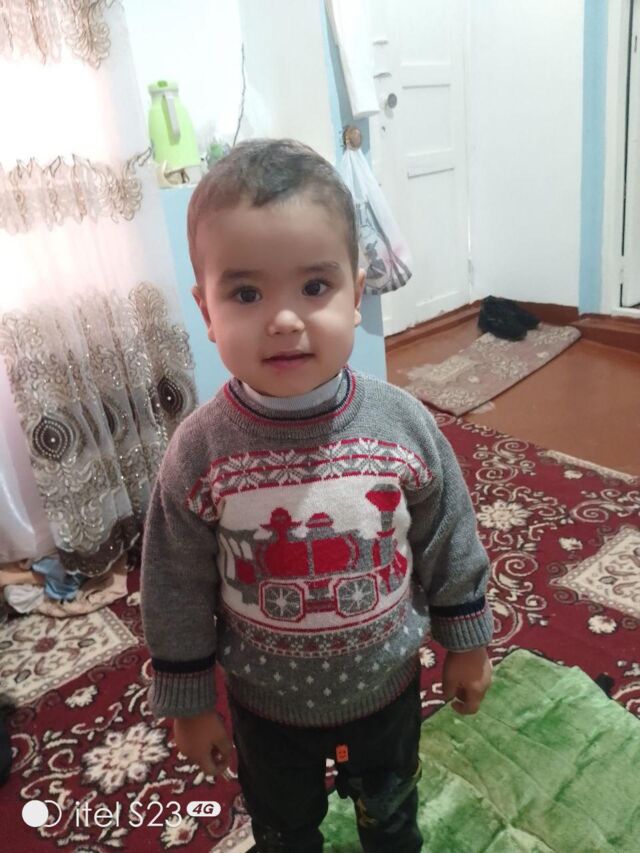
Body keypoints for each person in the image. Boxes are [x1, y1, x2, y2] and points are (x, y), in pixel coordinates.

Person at [140, 138, 493, 852]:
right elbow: (173, 584)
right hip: (265, 710)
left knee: (391, 820)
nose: (284, 319)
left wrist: (467, 641)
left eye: (314, 287)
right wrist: (188, 703)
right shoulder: (198, 452)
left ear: (356, 294)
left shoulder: (403, 425)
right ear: (206, 310)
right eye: (246, 294)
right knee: (284, 831)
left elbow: (449, 535)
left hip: (387, 691)